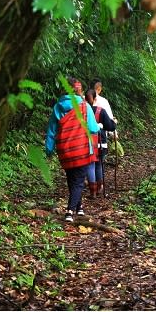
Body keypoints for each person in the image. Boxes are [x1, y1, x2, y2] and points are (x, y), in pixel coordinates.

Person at [45, 77, 99, 222]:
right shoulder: (84, 106)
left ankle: (79, 208)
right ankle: (69, 211)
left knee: (72, 178)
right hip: (80, 148)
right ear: (79, 89)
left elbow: (51, 130)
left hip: (64, 149)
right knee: (79, 181)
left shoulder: (58, 106)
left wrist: (49, 149)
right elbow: (93, 128)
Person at [85, 87, 117, 197]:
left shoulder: (82, 111)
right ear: (95, 99)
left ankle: (92, 191)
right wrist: (114, 122)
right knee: (99, 165)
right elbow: (110, 127)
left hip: (86, 143)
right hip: (100, 142)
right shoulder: (100, 111)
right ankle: (99, 188)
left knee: (90, 166)